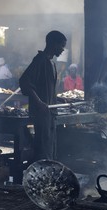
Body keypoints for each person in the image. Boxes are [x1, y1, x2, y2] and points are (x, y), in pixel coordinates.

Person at [19, 30, 67, 161]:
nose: (63, 50)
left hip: (50, 113)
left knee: (49, 146)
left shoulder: (51, 63)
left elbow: (45, 89)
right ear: (52, 43)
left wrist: (56, 98)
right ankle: (38, 175)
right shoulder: (40, 60)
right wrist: (39, 103)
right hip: (41, 114)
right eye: (61, 46)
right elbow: (25, 82)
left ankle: (47, 175)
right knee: (42, 149)